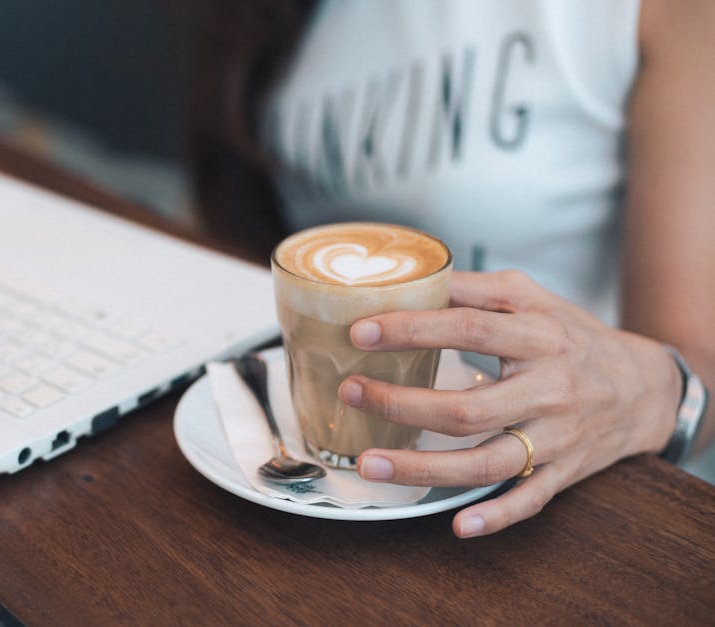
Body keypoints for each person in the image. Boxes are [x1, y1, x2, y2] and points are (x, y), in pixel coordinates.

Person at [187, 0, 714, 538]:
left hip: (563, 495)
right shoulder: (263, 18)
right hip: (307, 511)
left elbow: (701, 363)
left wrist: (651, 388)